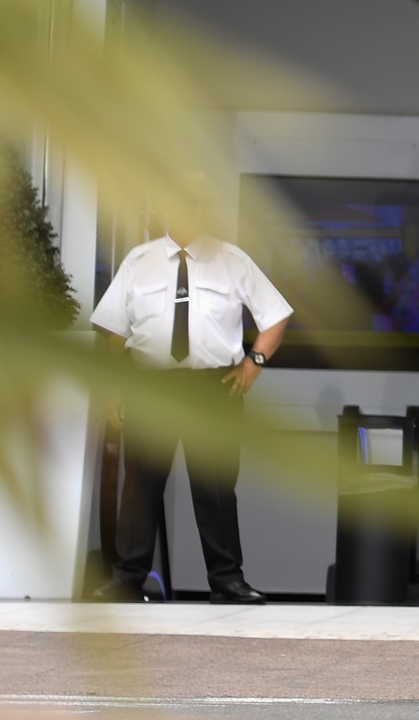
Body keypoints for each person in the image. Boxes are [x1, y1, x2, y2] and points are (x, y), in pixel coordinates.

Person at [91, 219, 293, 603]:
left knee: (215, 486)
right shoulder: (139, 260)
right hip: (151, 386)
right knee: (140, 485)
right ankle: (127, 579)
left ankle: (228, 581)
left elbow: (276, 315)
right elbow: (115, 331)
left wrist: (254, 361)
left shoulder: (231, 260)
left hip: (212, 388)